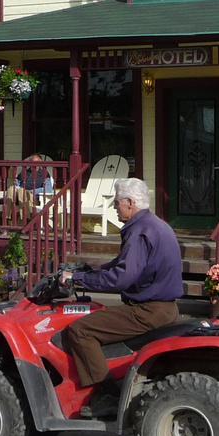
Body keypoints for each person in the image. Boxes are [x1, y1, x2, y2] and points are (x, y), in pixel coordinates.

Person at [61, 177, 183, 418]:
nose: (114, 208)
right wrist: (88, 271)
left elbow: (121, 279)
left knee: (80, 330)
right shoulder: (155, 224)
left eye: (117, 203)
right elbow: (121, 264)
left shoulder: (139, 231)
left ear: (130, 202)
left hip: (147, 311)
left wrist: (77, 280)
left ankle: (109, 396)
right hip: (165, 307)